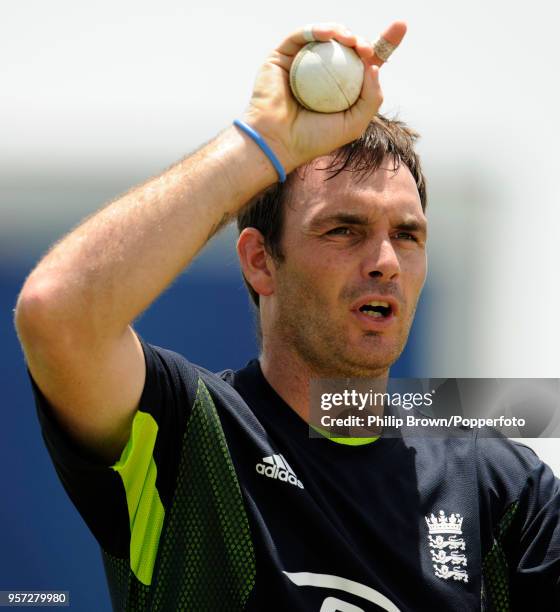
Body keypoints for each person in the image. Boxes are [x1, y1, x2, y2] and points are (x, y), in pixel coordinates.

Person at [14, 20, 559, 612]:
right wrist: (261, 140)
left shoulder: (503, 493)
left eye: (407, 235)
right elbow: (56, 313)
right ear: (259, 262)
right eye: (343, 229)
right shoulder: (192, 438)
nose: (384, 262)